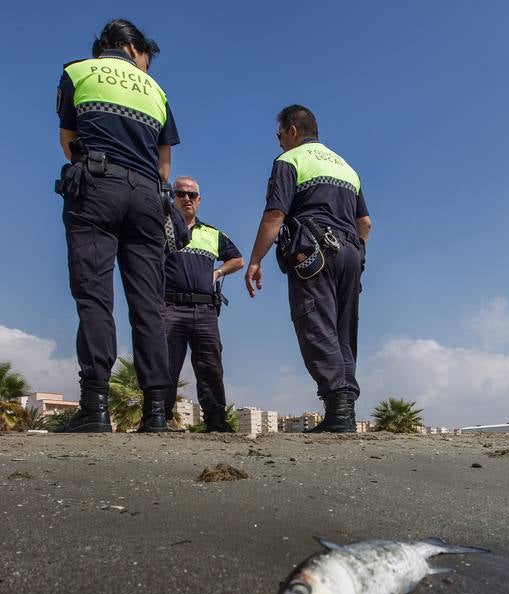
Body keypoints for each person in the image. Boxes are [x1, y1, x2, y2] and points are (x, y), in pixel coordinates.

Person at [55, 19, 180, 433]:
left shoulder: (78, 71)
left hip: (96, 183)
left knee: (94, 295)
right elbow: (165, 165)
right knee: (148, 305)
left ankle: (94, 409)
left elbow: (68, 138)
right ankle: (157, 413)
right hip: (147, 195)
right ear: (134, 49)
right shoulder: (157, 91)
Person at [245, 105, 372, 432]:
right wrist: (358, 256)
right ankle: (345, 410)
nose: (279, 143)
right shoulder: (347, 168)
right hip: (350, 254)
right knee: (344, 330)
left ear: (292, 131)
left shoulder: (289, 161)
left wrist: (256, 260)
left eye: (279, 136)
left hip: (314, 253)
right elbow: (366, 223)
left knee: (316, 323)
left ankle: (338, 412)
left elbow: (275, 216)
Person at [163, 176, 243, 432]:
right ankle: (159, 417)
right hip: (169, 307)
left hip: (205, 311)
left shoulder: (212, 233)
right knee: (166, 365)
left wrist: (218, 273)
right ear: (172, 197)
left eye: (192, 195)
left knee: (210, 366)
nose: (187, 198)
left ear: (199, 200)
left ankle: (217, 421)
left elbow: (238, 259)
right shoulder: (160, 230)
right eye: (181, 194)